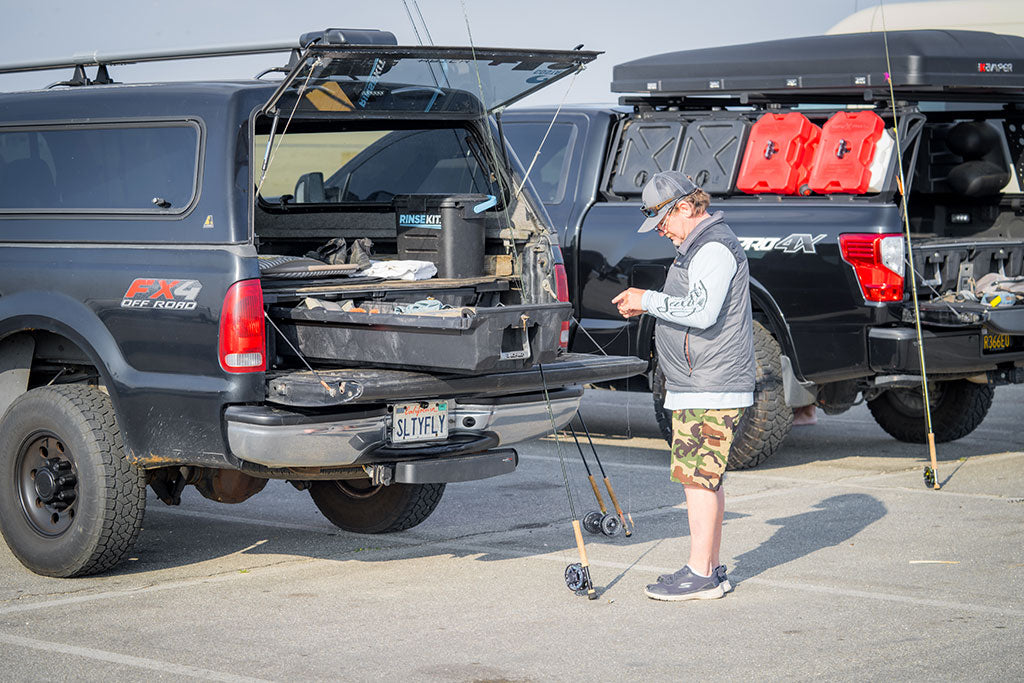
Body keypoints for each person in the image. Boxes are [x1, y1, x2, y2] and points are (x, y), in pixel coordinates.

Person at [612, 170, 755, 601]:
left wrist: (646, 300)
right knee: (706, 479)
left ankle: (701, 575)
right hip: (702, 381)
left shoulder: (712, 247)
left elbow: (702, 311)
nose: (660, 231)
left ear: (686, 208)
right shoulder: (700, 245)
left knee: (697, 480)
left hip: (709, 384)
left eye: (663, 221)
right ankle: (707, 568)